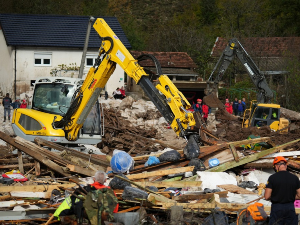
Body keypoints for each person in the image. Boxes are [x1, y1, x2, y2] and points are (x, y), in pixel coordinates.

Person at [54, 171, 119, 222]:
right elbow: (115, 209)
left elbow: (68, 203)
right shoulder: (110, 191)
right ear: (105, 180)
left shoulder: (85, 189)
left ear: (94, 179)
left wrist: (56, 216)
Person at [264, 156, 300, 225]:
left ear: (277, 166)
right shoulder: (295, 178)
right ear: (285, 166)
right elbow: (299, 195)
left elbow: (267, 196)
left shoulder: (272, 178)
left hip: (277, 208)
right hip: (290, 208)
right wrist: (290, 196)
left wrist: (277, 196)